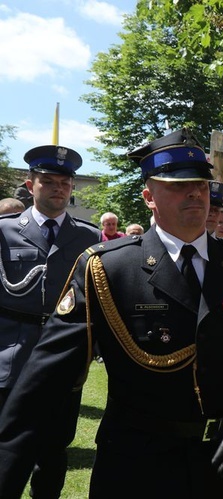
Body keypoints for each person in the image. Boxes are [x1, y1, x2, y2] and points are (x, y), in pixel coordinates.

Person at [0, 128, 223, 499]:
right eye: (176, 185)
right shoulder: (109, 268)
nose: (194, 193)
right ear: (148, 196)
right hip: (133, 466)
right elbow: (43, 384)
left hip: (217, 464)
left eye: (202, 185)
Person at [0, 144, 101, 499]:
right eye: (48, 181)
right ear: (30, 186)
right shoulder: (5, 230)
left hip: (63, 355)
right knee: (8, 446)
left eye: (65, 182)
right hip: (11, 353)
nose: (58, 188)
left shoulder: (89, 237)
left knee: (54, 449)